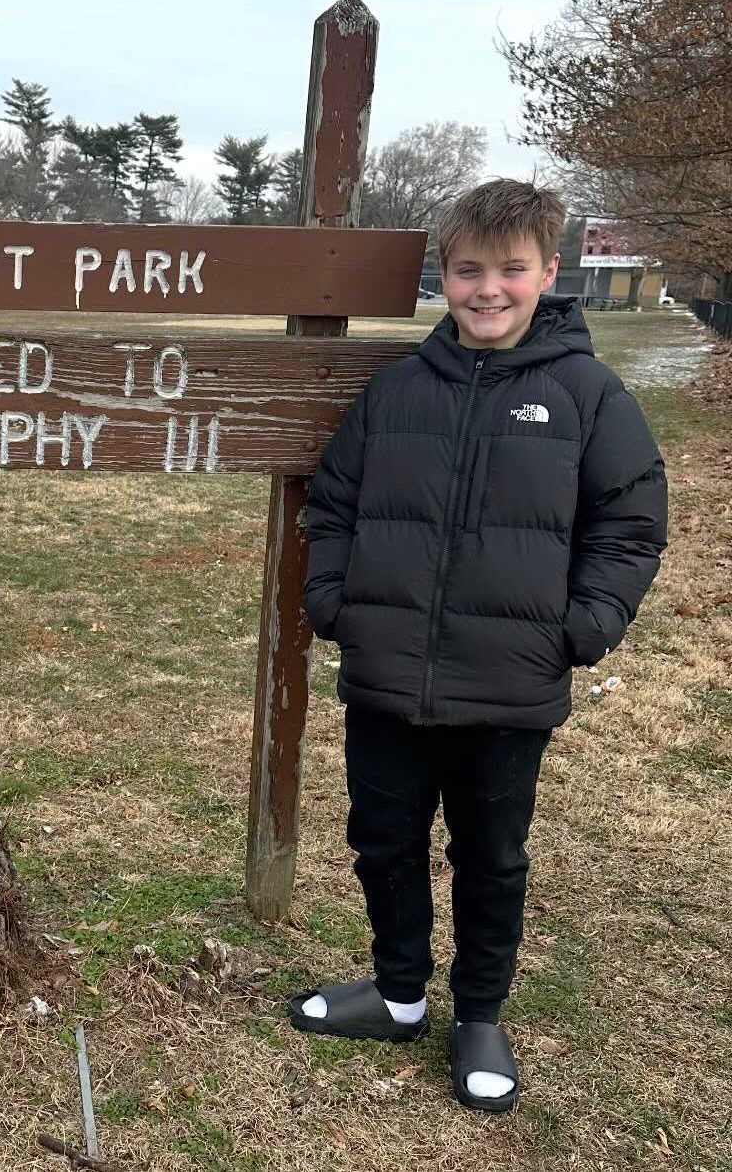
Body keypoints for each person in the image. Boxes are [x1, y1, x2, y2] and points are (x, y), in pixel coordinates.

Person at [290, 180, 667, 1111]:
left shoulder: (586, 393)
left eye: (511, 269)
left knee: (492, 853)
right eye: (469, 270)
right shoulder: (398, 390)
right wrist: (335, 602)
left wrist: (583, 627)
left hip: (508, 686)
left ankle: (478, 1014)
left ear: (547, 271)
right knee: (383, 840)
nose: (488, 290)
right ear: (445, 277)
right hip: (387, 675)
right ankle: (398, 992)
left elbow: (632, 522)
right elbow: (332, 502)